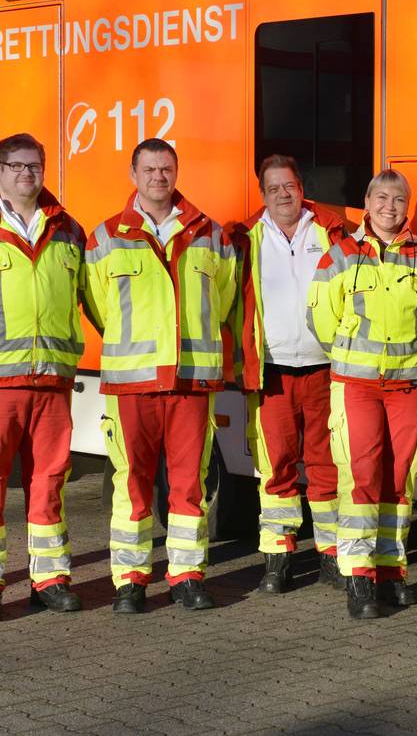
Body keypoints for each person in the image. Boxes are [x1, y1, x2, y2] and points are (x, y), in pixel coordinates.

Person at [84, 138, 238, 613]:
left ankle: (187, 575)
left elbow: (225, 300)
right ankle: (130, 578)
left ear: (177, 172)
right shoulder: (105, 237)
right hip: (132, 384)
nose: (158, 176)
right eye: (149, 169)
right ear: (133, 175)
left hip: (191, 381)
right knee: (131, 483)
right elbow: (96, 305)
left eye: (166, 168)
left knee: (189, 483)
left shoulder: (211, 234)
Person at [310, 169, 417, 619]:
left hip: (410, 383)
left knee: (400, 476)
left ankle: (390, 568)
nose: (390, 206)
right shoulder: (341, 253)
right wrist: (352, 353)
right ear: (366, 203)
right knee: (361, 474)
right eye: (382, 198)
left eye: (399, 199)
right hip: (358, 385)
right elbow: (322, 319)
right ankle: (359, 577)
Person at [231, 154, 346, 594]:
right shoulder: (247, 239)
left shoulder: (331, 233)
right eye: (274, 188)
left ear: (302, 188)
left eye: (290, 186)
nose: (283, 194)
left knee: (326, 464)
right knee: (275, 466)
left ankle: (330, 555)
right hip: (273, 372)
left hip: (323, 368)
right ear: (262, 195)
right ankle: (277, 559)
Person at [0, 133, 85, 613]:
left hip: (52, 380)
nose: (26, 174)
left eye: (34, 166)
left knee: (49, 479)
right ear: (1, 170)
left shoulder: (69, 230)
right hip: (1, 381)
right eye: (16, 166)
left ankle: (49, 579)